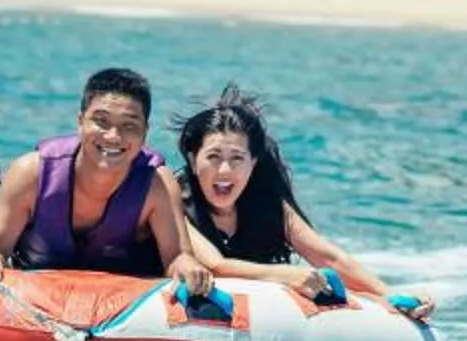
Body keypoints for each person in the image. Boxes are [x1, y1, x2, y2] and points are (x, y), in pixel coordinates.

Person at [171, 87, 432, 318]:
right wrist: (288, 276)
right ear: (194, 161)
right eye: (213, 156)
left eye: (237, 158)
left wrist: (388, 294)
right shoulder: (175, 200)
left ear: (253, 162)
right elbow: (216, 265)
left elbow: (329, 257)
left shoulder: (266, 203)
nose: (225, 170)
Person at [0, 67, 207, 288]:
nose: (113, 136)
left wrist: (188, 267)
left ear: (145, 132)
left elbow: (176, 257)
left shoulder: (157, 184)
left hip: (124, 310)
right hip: (36, 304)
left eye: (129, 125)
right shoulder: (31, 174)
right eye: (101, 122)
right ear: (80, 122)